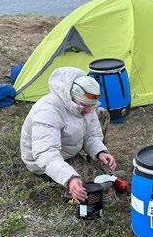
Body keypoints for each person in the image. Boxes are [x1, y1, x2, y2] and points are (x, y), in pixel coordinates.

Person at [20, 67, 117, 202]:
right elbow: (45, 153)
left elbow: (91, 135)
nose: (88, 110)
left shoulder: (86, 106)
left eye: (91, 105)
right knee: (92, 187)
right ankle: (70, 183)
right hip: (44, 160)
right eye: (84, 105)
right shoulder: (47, 111)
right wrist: (69, 177)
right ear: (71, 97)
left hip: (67, 148)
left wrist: (99, 151)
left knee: (101, 112)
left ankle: (95, 163)